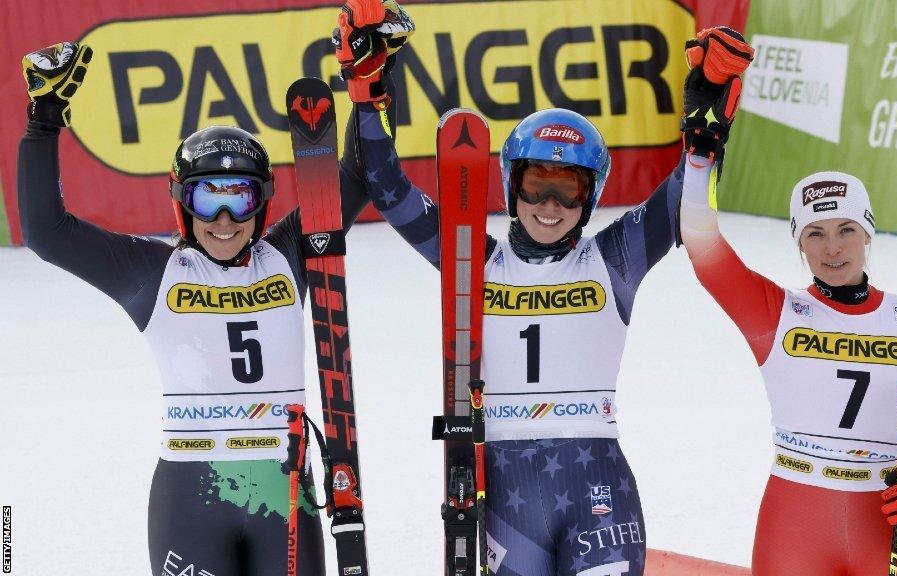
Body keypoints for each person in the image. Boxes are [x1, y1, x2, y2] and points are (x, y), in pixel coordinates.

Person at [331, 1, 700, 573]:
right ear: (510, 185)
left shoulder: (612, 258)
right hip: (509, 487)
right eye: (535, 186)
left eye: (567, 190)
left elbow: (683, 201)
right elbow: (390, 192)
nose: (549, 207)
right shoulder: (472, 260)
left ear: (590, 197)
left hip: (596, 481)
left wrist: (707, 135)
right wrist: (370, 92)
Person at [17, 41, 378, 576]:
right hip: (190, 495)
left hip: (280, 491)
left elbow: (354, 173)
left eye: (243, 198)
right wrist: (43, 122)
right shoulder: (152, 272)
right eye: (209, 198)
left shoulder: (289, 255)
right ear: (183, 203)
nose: (226, 218)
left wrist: (369, 88)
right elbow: (48, 232)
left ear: (263, 203)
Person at [675, 27, 897, 575]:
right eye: (815, 233)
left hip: (887, 521)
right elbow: (700, 237)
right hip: (795, 522)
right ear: (799, 243)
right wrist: (700, 156)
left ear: (870, 233)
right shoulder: (774, 312)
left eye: (847, 229)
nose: (833, 248)